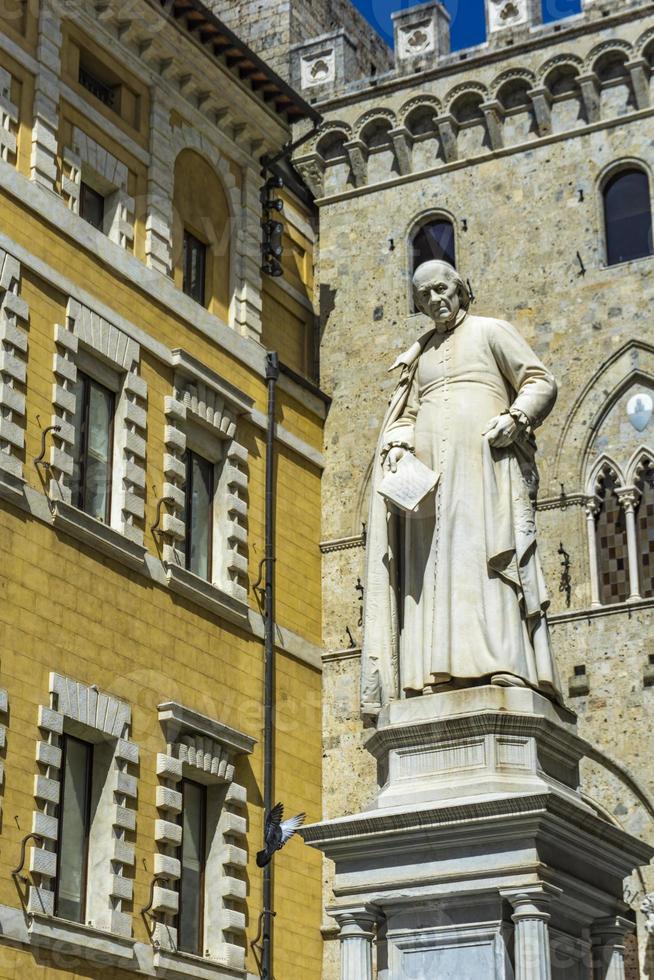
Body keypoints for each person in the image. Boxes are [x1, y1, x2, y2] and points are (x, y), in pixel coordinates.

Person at [361, 259, 562, 716]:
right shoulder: (422, 355)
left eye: (440, 290)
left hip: (483, 467)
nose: (434, 300)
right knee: (432, 572)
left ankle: (504, 662)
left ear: (459, 289)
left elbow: (539, 380)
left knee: (485, 560)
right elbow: (406, 415)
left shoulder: (492, 331)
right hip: (430, 486)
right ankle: (435, 672)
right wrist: (396, 442)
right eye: (423, 296)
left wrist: (517, 418)